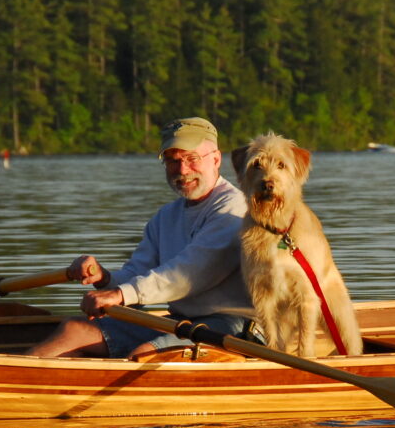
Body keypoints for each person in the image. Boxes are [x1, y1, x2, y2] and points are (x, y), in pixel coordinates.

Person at [30, 117, 254, 359]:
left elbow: (188, 274)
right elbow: (137, 275)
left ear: (216, 159)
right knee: (74, 330)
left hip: (235, 326)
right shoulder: (165, 217)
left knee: (144, 355)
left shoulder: (234, 208)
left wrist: (120, 294)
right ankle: (21, 383)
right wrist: (103, 278)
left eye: (192, 159)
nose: (182, 170)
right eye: (173, 161)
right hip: (181, 320)